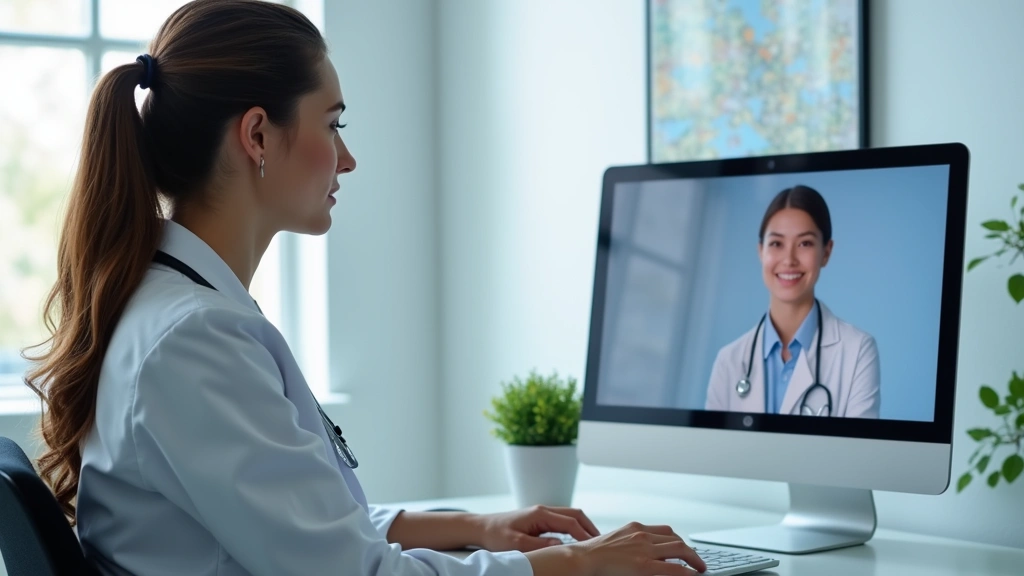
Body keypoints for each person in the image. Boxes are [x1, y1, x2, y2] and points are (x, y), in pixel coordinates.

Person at [21, 1, 706, 575]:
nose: (348, 157)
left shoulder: (171, 309)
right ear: (258, 134)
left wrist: (478, 525)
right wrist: (578, 564)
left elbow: (300, 528)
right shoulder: (195, 338)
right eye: (333, 123)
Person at [704, 185, 880, 418]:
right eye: (776, 244)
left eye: (805, 243)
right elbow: (713, 450)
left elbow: (861, 453)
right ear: (760, 251)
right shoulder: (729, 361)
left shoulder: (858, 351)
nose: (789, 260)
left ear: (826, 252)